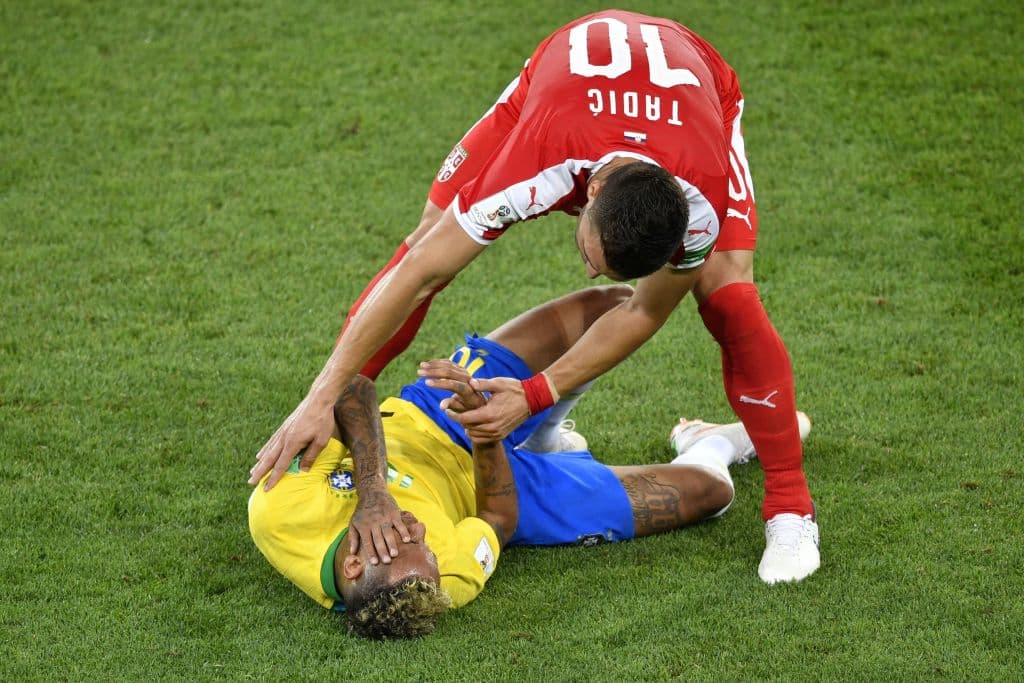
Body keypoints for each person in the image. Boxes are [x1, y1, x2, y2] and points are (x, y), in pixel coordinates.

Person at [250, 10, 819, 584]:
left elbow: (644, 309)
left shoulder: (700, 203)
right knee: (429, 238)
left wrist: (532, 394)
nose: (593, 275)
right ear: (588, 191)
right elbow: (419, 273)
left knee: (728, 296)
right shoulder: (537, 165)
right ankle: (347, 407)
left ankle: (792, 509)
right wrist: (325, 394)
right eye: (593, 257)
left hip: (701, 95)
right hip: (559, 89)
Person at [248, 287, 814, 639]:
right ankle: (708, 440)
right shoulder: (437, 581)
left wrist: (374, 491)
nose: (419, 528)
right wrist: (486, 436)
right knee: (710, 493)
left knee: (611, 306)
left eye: (405, 536)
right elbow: (496, 521)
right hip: (494, 480)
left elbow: (350, 388)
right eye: (423, 540)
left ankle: (542, 429)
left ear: (352, 564)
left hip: (429, 414)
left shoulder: (280, 510)